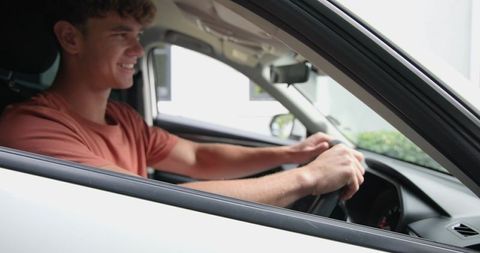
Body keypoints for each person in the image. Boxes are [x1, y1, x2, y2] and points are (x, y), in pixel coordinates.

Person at [0, 0, 364, 207]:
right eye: (120, 34)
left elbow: (197, 158)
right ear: (70, 38)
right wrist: (309, 178)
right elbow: (150, 203)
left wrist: (290, 155)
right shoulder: (30, 128)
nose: (138, 50)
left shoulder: (122, 118)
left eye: (139, 35)